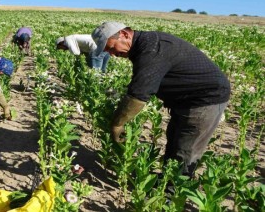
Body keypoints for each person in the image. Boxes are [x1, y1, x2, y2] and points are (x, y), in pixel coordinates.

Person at [91, 21, 230, 178]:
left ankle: (174, 194)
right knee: (174, 140)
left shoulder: (152, 48)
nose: (111, 53)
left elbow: (140, 93)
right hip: (185, 100)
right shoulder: (143, 45)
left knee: (186, 148)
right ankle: (167, 181)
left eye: (110, 47)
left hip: (205, 98)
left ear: (124, 34)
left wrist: (117, 124)